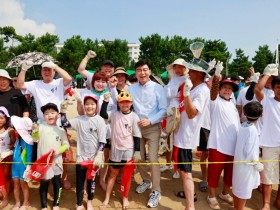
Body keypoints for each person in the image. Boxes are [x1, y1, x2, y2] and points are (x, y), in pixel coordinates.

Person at [17, 61, 72, 189]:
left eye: (49, 70)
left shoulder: (58, 82)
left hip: (57, 122)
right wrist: (24, 69)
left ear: (53, 72)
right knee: (43, 150)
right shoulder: (35, 83)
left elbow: (68, 78)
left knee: (62, 152)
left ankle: (63, 178)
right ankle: (44, 175)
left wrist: (56, 66)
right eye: (44, 70)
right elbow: (20, 84)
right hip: (42, 123)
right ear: (41, 72)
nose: (47, 72)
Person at [125, 60, 167, 208]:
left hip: (153, 127)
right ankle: (146, 180)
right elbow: (127, 107)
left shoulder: (158, 88)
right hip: (136, 129)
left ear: (149, 71)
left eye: (145, 70)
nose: (142, 73)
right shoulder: (131, 89)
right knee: (139, 156)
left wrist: (150, 120)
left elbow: (163, 110)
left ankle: (156, 190)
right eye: (139, 70)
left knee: (153, 158)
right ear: (135, 73)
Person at [172, 60, 210, 210]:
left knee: (187, 173)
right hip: (181, 134)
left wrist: (186, 94)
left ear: (200, 73)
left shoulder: (202, 90)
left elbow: (192, 113)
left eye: (192, 70)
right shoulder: (194, 87)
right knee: (183, 171)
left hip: (187, 138)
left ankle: (189, 207)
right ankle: (191, 196)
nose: (189, 72)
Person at [99, 91, 141, 210]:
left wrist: (137, 151)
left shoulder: (134, 116)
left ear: (131, 103)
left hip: (128, 149)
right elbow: (102, 114)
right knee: (112, 174)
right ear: (118, 103)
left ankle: (125, 197)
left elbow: (137, 135)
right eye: (122, 102)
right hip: (116, 149)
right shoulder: (114, 114)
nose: (125, 104)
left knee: (126, 175)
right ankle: (107, 198)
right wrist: (105, 101)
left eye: (127, 102)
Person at [207, 63, 240, 210]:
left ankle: (225, 193)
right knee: (214, 172)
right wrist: (217, 76)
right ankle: (212, 195)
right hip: (217, 143)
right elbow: (213, 91)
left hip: (233, 145)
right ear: (220, 89)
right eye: (225, 88)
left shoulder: (232, 104)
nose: (227, 90)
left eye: (230, 89)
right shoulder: (215, 101)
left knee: (230, 172)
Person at [66, 94, 107, 210]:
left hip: (94, 158)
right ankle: (79, 203)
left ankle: (89, 201)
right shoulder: (79, 119)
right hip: (81, 157)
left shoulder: (100, 120)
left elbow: (102, 140)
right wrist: (63, 112)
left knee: (91, 181)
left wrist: (99, 155)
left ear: (96, 106)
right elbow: (65, 124)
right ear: (84, 106)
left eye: (92, 104)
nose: (90, 107)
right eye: (87, 104)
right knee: (80, 181)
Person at [30, 103, 69, 210]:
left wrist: (58, 151)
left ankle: (56, 204)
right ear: (43, 117)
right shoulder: (41, 127)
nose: (50, 115)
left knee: (57, 183)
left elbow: (66, 145)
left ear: (58, 114)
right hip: (43, 164)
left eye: (52, 112)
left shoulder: (61, 130)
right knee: (44, 184)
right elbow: (35, 139)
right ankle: (43, 205)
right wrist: (35, 131)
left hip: (56, 163)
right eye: (46, 113)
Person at [254, 64, 280, 210]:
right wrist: (267, 74)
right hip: (270, 145)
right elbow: (258, 89)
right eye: (278, 87)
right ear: (273, 87)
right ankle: (266, 204)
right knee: (267, 177)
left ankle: (278, 201)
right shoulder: (268, 101)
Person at [232, 101, 263, 210]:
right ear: (261, 115)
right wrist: (256, 163)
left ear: (244, 113)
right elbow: (250, 151)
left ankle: (236, 208)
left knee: (237, 188)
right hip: (247, 167)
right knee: (243, 192)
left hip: (239, 164)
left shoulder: (243, 125)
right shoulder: (253, 130)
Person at [161, 58, 188, 177]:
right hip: (170, 112)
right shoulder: (173, 80)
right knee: (168, 140)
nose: (177, 69)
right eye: (175, 67)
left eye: (180, 67)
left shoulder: (188, 80)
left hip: (182, 112)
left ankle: (178, 168)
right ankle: (169, 164)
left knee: (179, 142)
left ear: (185, 68)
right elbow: (167, 96)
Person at [10, 116, 33, 210]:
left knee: (23, 184)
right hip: (14, 165)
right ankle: (17, 202)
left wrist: (28, 168)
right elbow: (15, 151)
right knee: (15, 184)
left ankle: (26, 202)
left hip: (23, 166)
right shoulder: (18, 138)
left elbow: (29, 156)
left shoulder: (29, 141)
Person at [0, 107, 15, 209]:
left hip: (5, 157)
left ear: (6, 119)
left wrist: (5, 152)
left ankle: (6, 198)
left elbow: (13, 144)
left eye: (1, 118)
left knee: (6, 177)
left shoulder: (10, 131)